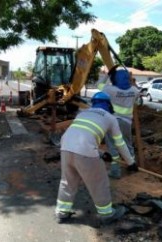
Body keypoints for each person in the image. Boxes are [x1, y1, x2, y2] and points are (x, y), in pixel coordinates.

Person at [55, 92, 137, 225]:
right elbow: (120, 143)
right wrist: (131, 162)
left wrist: (101, 153)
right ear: (108, 104)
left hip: (65, 148)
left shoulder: (82, 113)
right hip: (84, 151)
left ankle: (62, 212)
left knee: (67, 182)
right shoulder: (110, 118)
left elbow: (81, 137)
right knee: (99, 182)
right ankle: (107, 213)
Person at [97, 67, 140, 179]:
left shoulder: (110, 90)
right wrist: (131, 80)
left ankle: (116, 171)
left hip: (112, 122)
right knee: (128, 144)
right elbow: (138, 98)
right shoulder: (134, 91)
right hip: (126, 122)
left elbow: (99, 84)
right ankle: (131, 166)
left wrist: (107, 74)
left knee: (113, 146)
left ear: (115, 79)